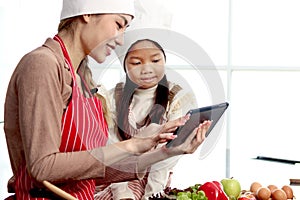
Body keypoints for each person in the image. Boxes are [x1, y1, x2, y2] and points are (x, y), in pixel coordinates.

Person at [3, 0, 212, 199]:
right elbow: (43, 168)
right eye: (119, 24)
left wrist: (164, 152)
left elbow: (92, 172)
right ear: (87, 12)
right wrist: (131, 145)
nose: (121, 40)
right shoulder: (43, 65)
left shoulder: (83, 78)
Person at [94, 39, 199, 200]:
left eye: (155, 60)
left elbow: (166, 157)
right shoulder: (112, 97)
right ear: (126, 68)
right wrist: (122, 194)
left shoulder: (177, 97)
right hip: (116, 180)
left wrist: (152, 195)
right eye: (136, 63)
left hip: (156, 181)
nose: (147, 69)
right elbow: (112, 151)